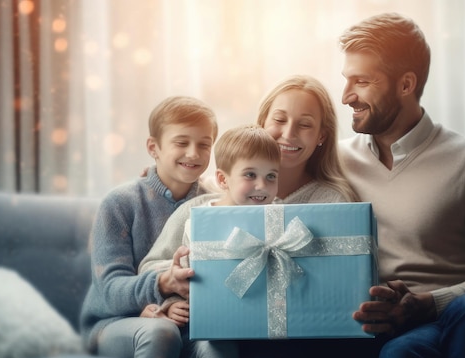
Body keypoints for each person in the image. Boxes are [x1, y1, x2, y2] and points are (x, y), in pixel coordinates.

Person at [242, 12, 465, 358]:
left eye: (361, 81)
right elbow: (257, 177)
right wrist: (178, 184)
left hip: (437, 323)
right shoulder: (334, 160)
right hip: (357, 324)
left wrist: (427, 303)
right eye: (346, 80)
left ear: (406, 85)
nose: (345, 96)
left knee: (427, 339)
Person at [79, 95, 238, 358]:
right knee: (161, 333)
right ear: (154, 148)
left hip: (189, 325)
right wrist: (162, 288)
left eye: (204, 145)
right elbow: (109, 290)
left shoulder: (218, 203)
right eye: (181, 142)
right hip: (116, 323)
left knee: (223, 348)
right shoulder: (120, 203)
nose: (193, 153)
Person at [138, 74, 358, 278]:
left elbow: (344, 274)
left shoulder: (332, 203)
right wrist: (173, 285)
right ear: (262, 123)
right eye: (279, 120)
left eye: (305, 125)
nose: (289, 134)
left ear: (321, 135)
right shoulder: (208, 199)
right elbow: (153, 267)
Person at [140, 123, 281, 322]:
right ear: (223, 179)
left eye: (271, 176)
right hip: (208, 319)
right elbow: (151, 266)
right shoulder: (195, 212)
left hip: (263, 319)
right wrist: (171, 302)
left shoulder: (281, 217)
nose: (262, 185)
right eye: (250, 175)